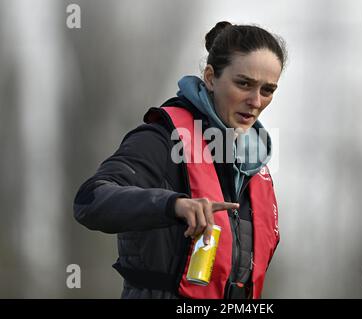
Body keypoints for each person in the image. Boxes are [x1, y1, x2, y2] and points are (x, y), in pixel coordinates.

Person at [73, 21, 286, 299]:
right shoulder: (161, 139)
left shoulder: (256, 168)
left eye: (267, 90)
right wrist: (171, 204)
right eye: (244, 84)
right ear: (210, 78)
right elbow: (90, 201)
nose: (256, 101)